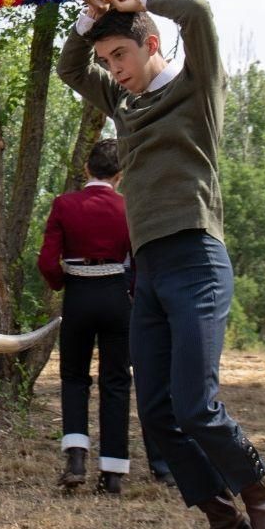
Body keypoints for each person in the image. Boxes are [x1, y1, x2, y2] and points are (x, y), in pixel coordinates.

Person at [57, 0, 265, 529]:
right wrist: (89, 22)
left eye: (122, 57)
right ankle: (223, 523)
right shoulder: (125, 107)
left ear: (151, 42)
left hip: (197, 260)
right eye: (108, 62)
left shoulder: (195, 88)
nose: (116, 70)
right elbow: (67, 67)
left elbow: (203, 14)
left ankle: (262, 500)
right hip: (149, 271)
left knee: (197, 405)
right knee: (158, 415)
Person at [37, 139, 171, 493]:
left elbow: (47, 262)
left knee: (74, 378)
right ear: (120, 174)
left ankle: (77, 457)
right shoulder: (129, 207)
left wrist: (61, 281)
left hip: (79, 295)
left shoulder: (64, 205)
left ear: (86, 169)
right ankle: (112, 473)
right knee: (116, 381)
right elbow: (141, 261)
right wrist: (132, 293)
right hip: (116, 297)